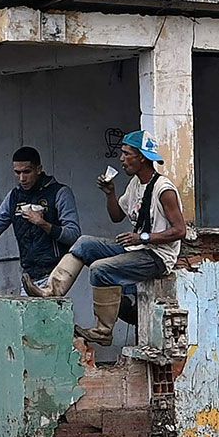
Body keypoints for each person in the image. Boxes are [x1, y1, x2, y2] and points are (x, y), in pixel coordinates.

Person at [33, 131, 189, 344]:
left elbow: (180, 231)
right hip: (137, 249)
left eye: (126, 154)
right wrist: (110, 193)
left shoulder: (163, 189)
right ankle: (51, 290)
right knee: (84, 243)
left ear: (141, 157)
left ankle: (103, 331)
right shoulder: (135, 184)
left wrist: (142, 237)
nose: (121, 159)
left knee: (100, 268)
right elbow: (116, 216)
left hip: (157, 256)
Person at [0, 145, 78, 289]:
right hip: (29, 275)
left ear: (39, 169)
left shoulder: (60, 193)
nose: (22, 178)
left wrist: (43, 223)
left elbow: (73, 235)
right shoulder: (14, 196)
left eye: (27, 172)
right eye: (17, 173)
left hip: (57, 274)